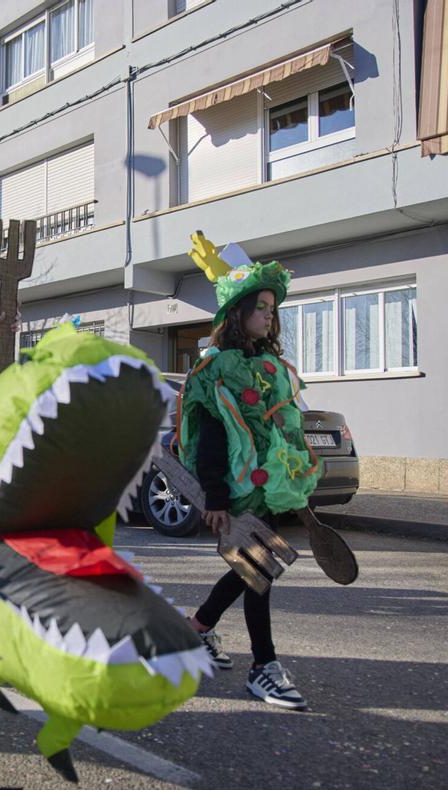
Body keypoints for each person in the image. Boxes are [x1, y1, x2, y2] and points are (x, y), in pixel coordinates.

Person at [176, 233, 320, 711]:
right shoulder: (220, 368)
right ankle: (263, 667)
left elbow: (282, 428)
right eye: (260, 306)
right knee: (259, 572)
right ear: (236, 313)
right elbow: (214, 436)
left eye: (272, 308)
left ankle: (197, 629)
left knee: (255, 568)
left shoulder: (270, 364)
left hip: (270, 490)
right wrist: (214, 497)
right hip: (238, 491)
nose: (269, 315)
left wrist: (294, 477)